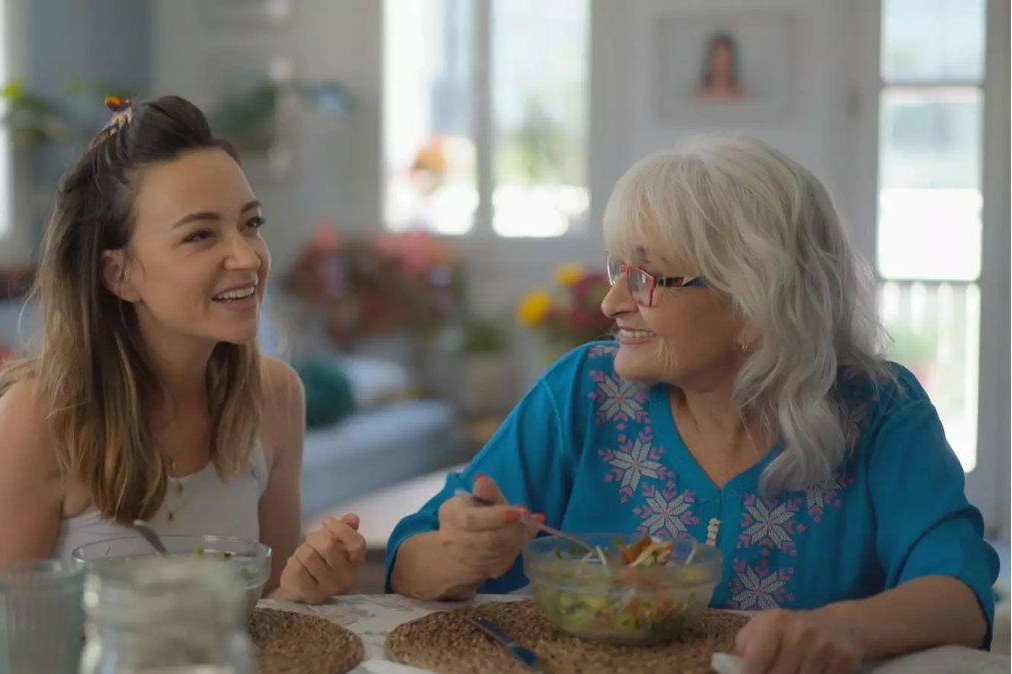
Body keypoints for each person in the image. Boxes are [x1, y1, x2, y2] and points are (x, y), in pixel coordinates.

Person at [386, 133, 999, 673]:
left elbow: (959, 593)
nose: (611, 303)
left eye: (646, 279)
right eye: (616, 268)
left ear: (755, 305)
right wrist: (457, 553)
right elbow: (411, 552)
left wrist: (844, 628)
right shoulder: (584, 391)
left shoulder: (881, 411)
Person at [0, 95, 366, 632]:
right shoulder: (39, 417)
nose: (246, 258)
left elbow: (265, 620)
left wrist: (304, 588)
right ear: (119, 274)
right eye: (200, 235)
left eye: (250, 223)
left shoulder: (276, 397)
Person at [696, 31, 747, 101]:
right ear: (710, 61)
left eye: (727, 58)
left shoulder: (743, 98)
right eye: (719, 57)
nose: (722, 64)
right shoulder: (697, 98)